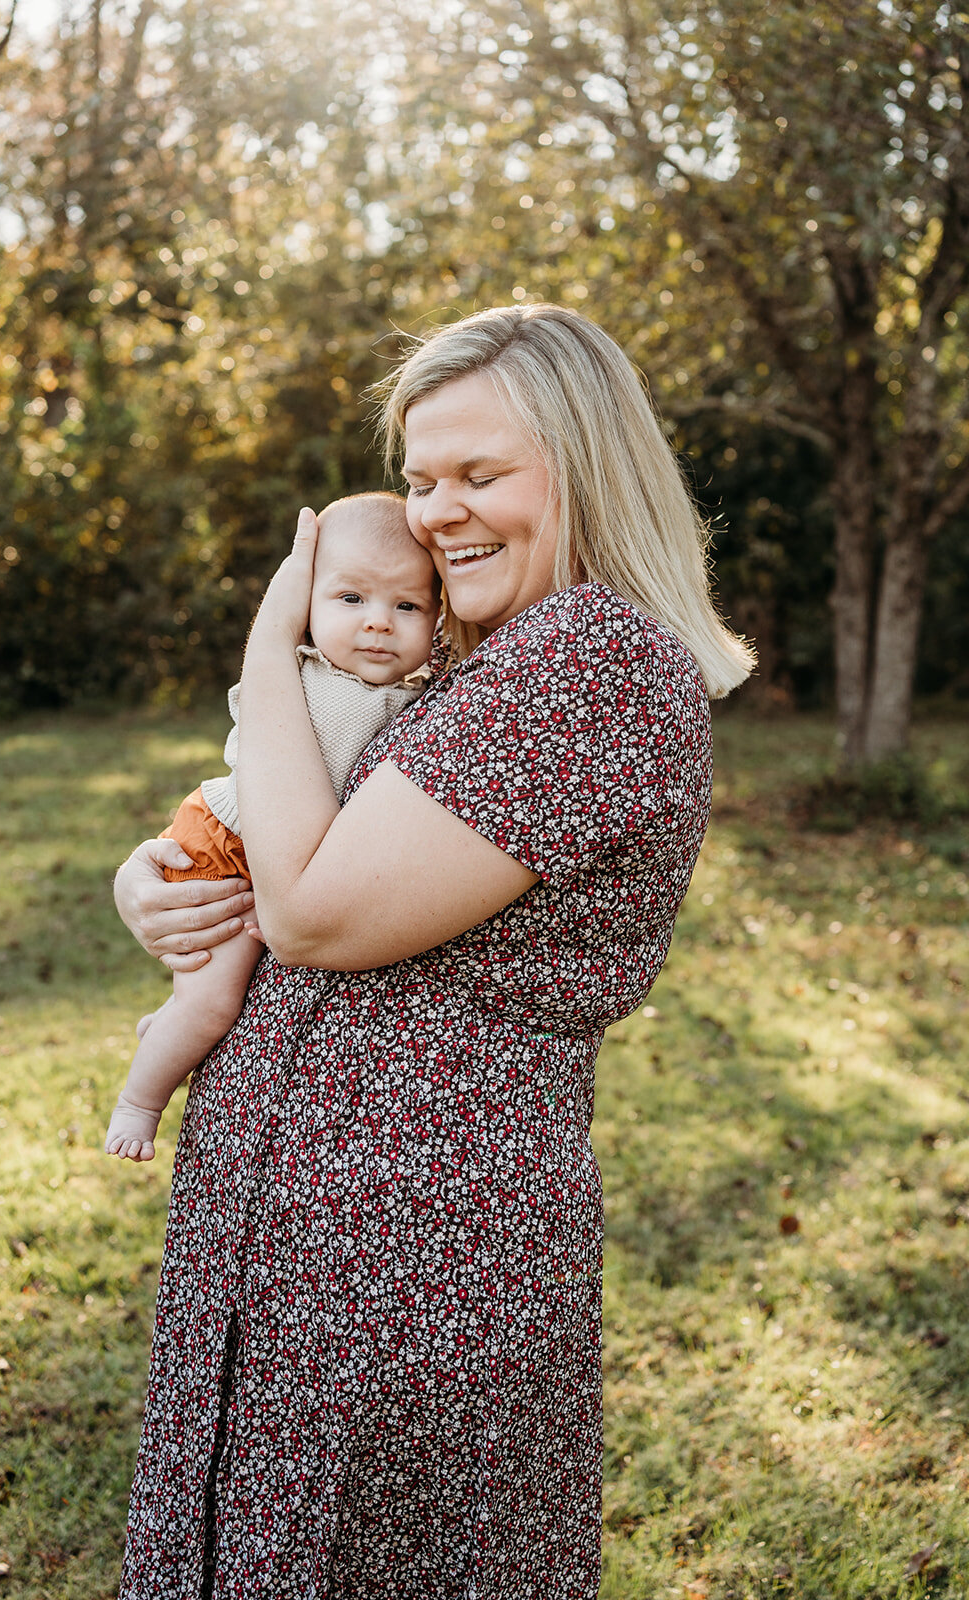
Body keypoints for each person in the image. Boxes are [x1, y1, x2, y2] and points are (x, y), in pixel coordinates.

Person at [112, 303, 755, 1599]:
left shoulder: (589, 660)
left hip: (412, 1266)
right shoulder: (476, 663)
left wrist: (264, 645)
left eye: (478, 473)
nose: (434, 511)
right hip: (317, 1263)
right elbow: (303, 841)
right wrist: (164, 872)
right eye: (417, 477)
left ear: (584, 467)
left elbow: (312, 914)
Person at [105, 492, 439, 1161]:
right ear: (305, 607)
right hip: (227, 844)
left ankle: (169, 1024)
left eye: (406, 606)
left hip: (266, 848)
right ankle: (138, 1102)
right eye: (351, 599)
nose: (377, 623)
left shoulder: (415, 692)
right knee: (212, 1006)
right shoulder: (311, 680)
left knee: (204, 999)